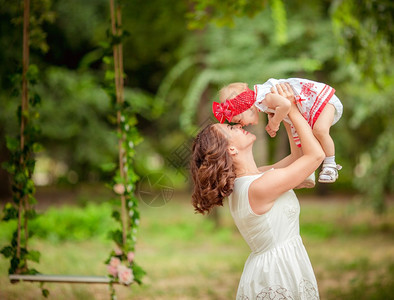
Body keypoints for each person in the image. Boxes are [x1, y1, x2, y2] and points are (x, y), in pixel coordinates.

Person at [191, 84, 323, 299]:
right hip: (278, 273)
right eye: (232, 129)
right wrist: (292, 110)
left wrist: (284, 119)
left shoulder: (251, 180)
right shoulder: (260, 187)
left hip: (271, 267)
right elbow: (315, 156)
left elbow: (298, 158)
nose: (237, 124)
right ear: (231, 150)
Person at [212, 78, 343, 184]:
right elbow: (283, 107)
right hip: (308, 105)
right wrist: (275, 118)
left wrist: (274, 122)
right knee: (307, 136)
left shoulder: (265, 97)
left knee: (319, 130)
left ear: (246, 107)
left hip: (321, 100)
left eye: (239, 120)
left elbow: (286, 105)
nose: (242, 125)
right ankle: (307, 170)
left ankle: (330, 164)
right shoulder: (263, 102)